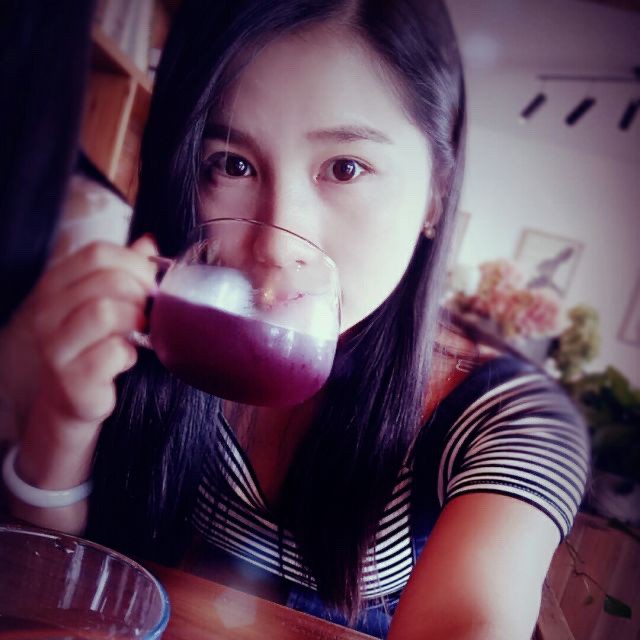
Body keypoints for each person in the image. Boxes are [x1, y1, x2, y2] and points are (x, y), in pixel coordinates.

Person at [1, 1, 589, 638]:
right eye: (232, 164)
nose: (278, 244)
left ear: (436, 195)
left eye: (345, 168)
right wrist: (63, 420)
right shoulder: (142, 324)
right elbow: (39, 592)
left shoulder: (513, 419)